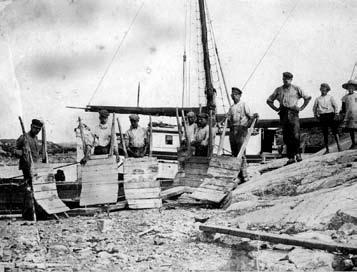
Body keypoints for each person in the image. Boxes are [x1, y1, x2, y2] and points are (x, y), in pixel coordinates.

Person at [267, 72, 311, 165]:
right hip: (283, 113)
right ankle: (290, 157)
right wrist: (276, 108)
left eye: (287, 79)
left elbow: (307, 98)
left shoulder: (296, 88)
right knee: (287, 136)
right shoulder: (279, 90)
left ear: (291, 79)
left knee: (295, 134)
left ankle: (298, 154)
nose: (285, 80)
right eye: (283, 79)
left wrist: (301, 108)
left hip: (293, 113)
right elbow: (269, 101)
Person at [227, 87, 258, 183]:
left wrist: (252, 120)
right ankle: (237, 175)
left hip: (241, 129)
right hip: (233, 130)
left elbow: (250, 116)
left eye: (236, 95)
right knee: (234, 152)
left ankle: (244, 175)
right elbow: (228, 118)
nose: (234, 97)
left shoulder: (243, 105)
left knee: (241, 152)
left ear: (240, 95)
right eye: (232, 95)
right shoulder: (231, 108)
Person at [15, 119, 43, 220]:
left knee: (35, 188)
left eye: (39, 129)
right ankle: (27, 214)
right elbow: (15, 150)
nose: (37, 130)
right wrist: (23, 152)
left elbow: (37, 153)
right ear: (31, 126)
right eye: (35, 128)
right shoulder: (24, 138)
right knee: (29, 189)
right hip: (27, 167)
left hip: (35, 167)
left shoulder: (36, 138)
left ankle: (35, 212)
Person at [312, 83, 341, 153]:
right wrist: (316, 115)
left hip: (331, 115)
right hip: (322, 116)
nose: (323, 90)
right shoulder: (317, 99)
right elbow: (314, 108)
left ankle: (339, 147)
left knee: (335, 131)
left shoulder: (330, 97)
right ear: (320, 90)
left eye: (325, 89)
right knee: (325, 133)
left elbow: (335, 106)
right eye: (322, 89)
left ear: (327, 90)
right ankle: (327, 149)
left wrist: (336, 113)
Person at [340, 79, 357, 149]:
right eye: (349, 88)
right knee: (351, 129)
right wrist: (342, 113)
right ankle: (353, 143)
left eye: (352, 88)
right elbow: (343, 107)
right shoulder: (345, 97)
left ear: (354, 88)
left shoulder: (356, 96)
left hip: (356, 114)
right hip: (349, 115)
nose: (350, 89)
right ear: (347, 89)